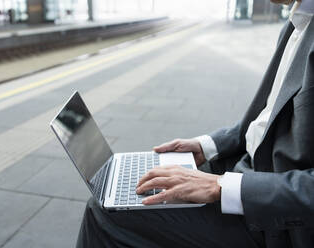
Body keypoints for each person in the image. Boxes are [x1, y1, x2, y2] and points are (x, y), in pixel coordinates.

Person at [76, 0, 314, 247]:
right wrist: (206, 145)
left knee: (105, 214)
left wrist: (222, 186)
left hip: (277, 218)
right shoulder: (298, 22)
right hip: (246, 170)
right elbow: (268, 117)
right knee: (142, 183)